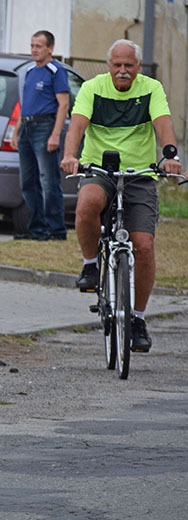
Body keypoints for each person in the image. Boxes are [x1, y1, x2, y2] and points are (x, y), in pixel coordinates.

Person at [60, 39, 183, 353]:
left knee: (143, 244)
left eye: (129, 65)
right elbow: (77, 124)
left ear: (138, 67)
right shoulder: (93, 88)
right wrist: (71, 155)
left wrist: (171, 156)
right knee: (87, 203)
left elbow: (163, 124)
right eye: (117, 65)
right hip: (100, 170)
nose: (123, 71)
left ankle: (138, 319)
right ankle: (90, 265)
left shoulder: (151, 88)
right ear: (109, 65)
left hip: (140, 173)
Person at [12, 30, 69, 241]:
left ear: (50, 48)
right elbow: (24, 104)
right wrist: (16, 132)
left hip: (45, 127)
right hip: (27, 127)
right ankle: (36, 229)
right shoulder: (29, 72)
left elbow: (64, 104)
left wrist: (55, 135)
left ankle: (56, 230)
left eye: (39, 46)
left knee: (49, 181)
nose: (34, 50)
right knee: (28, 181)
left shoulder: (56, 71)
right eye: (32, 45)